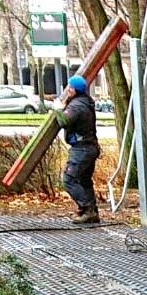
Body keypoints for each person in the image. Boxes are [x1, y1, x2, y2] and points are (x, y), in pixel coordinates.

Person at [56, 75, 100, 224]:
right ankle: (92, 212)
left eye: (70, 87)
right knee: (84, 180)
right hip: (90, 147)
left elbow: (63, 121)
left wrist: (57, 110)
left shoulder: (76, 106)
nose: (68, 89)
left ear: (75, 89)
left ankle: (87, 209)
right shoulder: (86, 102)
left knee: (69, 179)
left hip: (81, 149)